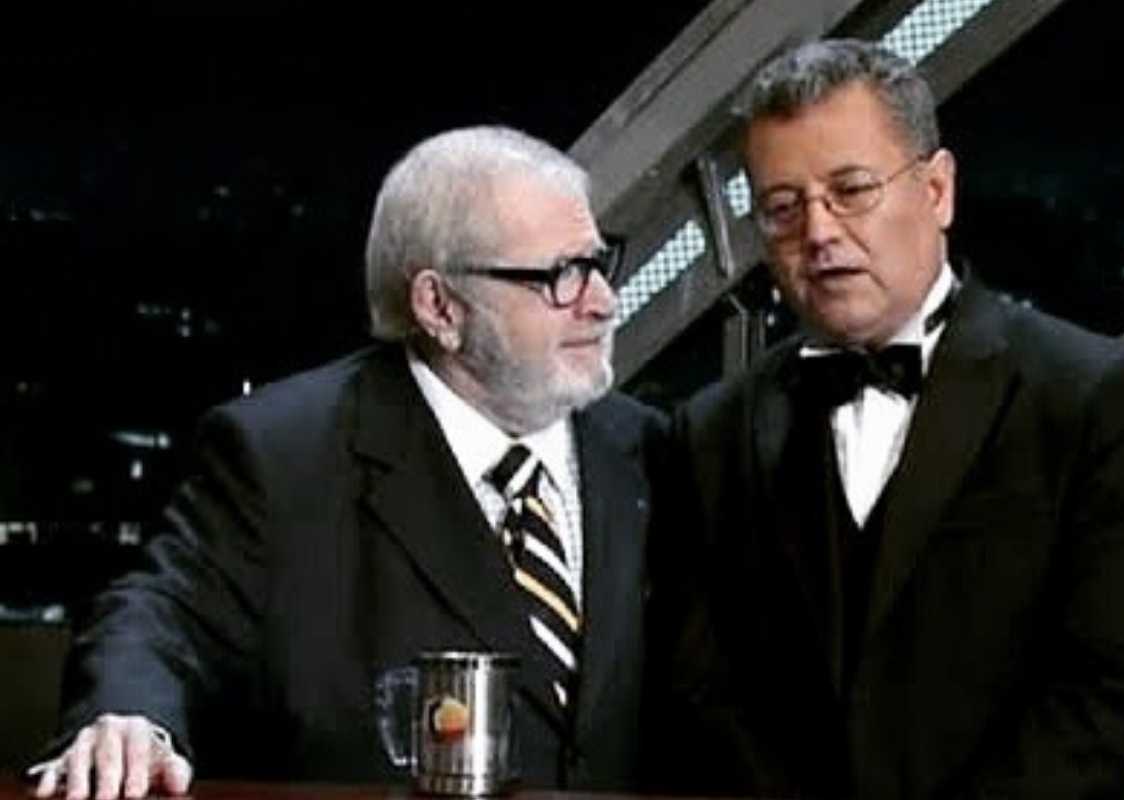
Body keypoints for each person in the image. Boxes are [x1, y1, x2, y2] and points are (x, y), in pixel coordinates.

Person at [32, 125, 665, 799]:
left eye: (599, 263)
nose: (603, 301)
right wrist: (128, 718)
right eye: (560, 276)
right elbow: (159, 615)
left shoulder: (650, 449)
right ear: (439, 306)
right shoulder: (281, 455)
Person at [647, 39, 1124, 799]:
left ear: (937, 191)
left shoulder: (1099, 397)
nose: (818, 233)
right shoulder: (710, 431)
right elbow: (698, 686)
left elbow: (1108, 693)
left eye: (851, 190)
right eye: (783, 208)